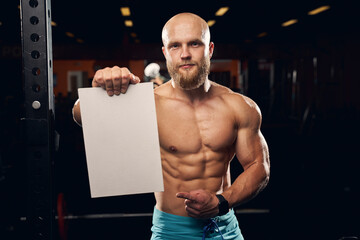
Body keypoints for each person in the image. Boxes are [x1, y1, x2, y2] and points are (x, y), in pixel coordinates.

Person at [72, 12, 270, 240]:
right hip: (171, 231)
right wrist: (100, 90)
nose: (185, 54)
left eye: (195, 43)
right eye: (175, 46)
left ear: (210, 49)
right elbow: (80, 116)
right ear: (166, 53)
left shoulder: (239, 106)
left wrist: (222, 201)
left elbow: (259, 166)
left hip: (224, 227)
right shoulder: (149, 104)